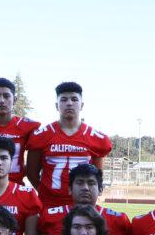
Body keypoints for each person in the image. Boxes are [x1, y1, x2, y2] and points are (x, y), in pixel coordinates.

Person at [25, 81, 112, 209]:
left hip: (82, 207)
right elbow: (31, 173)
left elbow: (96, 176)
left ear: (81, 105)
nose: (69, 103)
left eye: (74, 99)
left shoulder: (96, 138)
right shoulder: (41, 135)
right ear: (57, 105)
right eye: (64, 99)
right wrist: (45, 193)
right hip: (49, 205)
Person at [39, 164, 129, 235]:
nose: (85, 188)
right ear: (70, 189)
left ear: (100, 190)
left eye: (91, 183)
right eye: (79, 183)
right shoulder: (50, 217)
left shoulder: (117, 220)